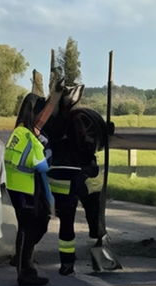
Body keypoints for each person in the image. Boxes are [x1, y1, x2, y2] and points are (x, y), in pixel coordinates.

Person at [44, 94, 109, 275]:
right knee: (93, 204)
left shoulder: (51, 129)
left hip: (59, 181)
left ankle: (67, 264)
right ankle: (97, 236)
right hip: (78, 177)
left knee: (66, 224)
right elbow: (91, 159)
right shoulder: (78, 126)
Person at [4, 93, 57, 286]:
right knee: (31, 228)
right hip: (25, 189)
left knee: (30, 227)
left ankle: (23, 264)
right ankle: (24, 270)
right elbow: (41, 165)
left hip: (16, 186)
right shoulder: (29, 136)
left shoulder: (18, 132)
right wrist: (48, 153)